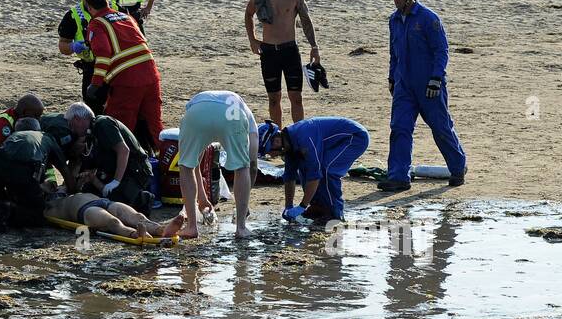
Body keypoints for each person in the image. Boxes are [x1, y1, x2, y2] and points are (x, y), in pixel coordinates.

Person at [380, 0, 466, 192]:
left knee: (440, 127)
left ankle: (458, 167)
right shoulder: (394, 20)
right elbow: (394, 53)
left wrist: (436, 78)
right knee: (399, 128)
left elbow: (441, 50)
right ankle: (399, 176)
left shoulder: (429, 19)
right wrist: (392, 77)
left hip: (429, 85)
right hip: (403, 86)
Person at [82, 0, 164, 151]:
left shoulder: (97, 24)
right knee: (154, 124)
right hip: (151, 74)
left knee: (118, 125)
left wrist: (95, 84)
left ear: (90, 8)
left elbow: (104, 54)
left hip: (127, 81)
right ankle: (168, 163)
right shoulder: (126, 17)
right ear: (107, 1)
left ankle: (121, 166)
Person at [245, 0, 321, 126]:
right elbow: (248, 14)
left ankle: (298, 134)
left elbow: (306, 20)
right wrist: (252, 40)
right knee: (273, 98)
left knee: (296, 97)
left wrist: (314, 46)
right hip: (269, 51)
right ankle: (277, 137)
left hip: (289, 50)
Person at [176, 90, 258, 239]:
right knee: (242, 166)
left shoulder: (201, 99)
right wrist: (244, 206)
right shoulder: (248, 116)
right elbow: (251, 165)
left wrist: (202, 198)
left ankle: (191, 227)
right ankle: (241, 227)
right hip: (232, 114)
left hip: (197, 113)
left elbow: (194, 165)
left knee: (186, 165)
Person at [260, 116, 370, 226]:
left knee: (327, 170)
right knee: (305, 167)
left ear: (277, 141)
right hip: (333, 142)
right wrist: (288, 207)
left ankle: (335, 214)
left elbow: (315, 176)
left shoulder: (304, 139)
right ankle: (318, 206)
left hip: (355, 137)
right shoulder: (289, 144)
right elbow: (289, 177)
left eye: (268, 150)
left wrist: (302, 206)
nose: (270, 155)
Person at [0, 116, 73, 231]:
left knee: (4, 197)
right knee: (37, 216)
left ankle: (2, 209)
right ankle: (11, 213)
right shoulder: (46, 137)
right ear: (38, 129)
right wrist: (73, 190)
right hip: (22, 170)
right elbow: (63, 168)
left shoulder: (13, 137)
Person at [81, 107, 158, 213]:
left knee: (117, 203)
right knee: (89, 193)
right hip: (118, 169)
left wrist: (115, 182)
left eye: (72, 124)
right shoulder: (91, 134)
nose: (72, 129)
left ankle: (143, 199)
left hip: (136, 170)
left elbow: (124, 150)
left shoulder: (103, 124)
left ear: (78, 119)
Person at [45, 190, 183, 239]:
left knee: (138, 216)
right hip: (85, 211)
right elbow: (48, 217)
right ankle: (135, 234)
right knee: (113, 222)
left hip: (104, 202)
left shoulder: (66, 190)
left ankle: (161, 229)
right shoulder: (50, 207)